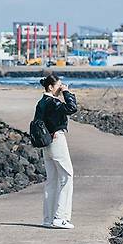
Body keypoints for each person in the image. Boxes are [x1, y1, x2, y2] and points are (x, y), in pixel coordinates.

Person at [36, 74, 77, 229]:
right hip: (56, 140)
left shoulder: (41, 102)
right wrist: (67, 93)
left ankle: (48, 218)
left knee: (51, 180)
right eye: (59, 85)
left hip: (45, 143)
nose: (61, 87)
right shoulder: (53, 102)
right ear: (51, 87)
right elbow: (72, 108)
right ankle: (61, 217)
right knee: (67, 176)